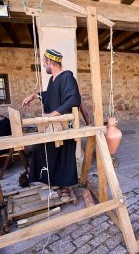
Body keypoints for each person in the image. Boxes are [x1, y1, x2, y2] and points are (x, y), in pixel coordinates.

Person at [22, 49, 81, 202]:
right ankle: (51, 180)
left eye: (44, 62)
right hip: (53, 125)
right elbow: (50, 95)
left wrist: (53, 114)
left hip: (64, 125)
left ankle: (66, 187)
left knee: (64, 155)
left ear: (50, 62)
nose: (43, 65)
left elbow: (73, 99)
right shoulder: (52, 80)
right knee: (43, 149)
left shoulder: (67, 76)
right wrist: (34, 95)